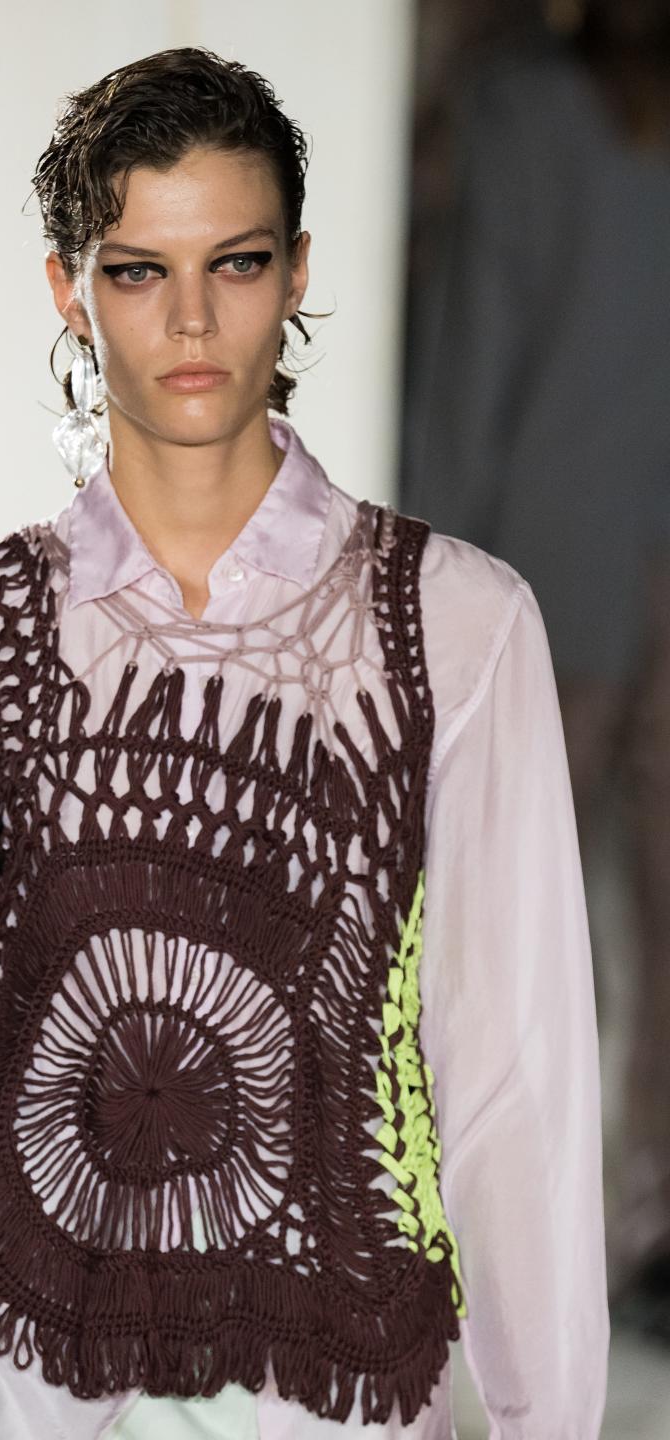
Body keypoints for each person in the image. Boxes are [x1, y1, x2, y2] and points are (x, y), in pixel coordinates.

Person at [0, 46, 609, 1440]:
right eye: (135, 270)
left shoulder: (463, 628)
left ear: (297, 273)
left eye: (232, 264)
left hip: (324, 1395)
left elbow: (511, 1083)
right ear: (69, 288)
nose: (188, 320)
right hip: (2, 1391)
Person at [400, 0, 670, 1336]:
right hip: (562, 579)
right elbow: (474, 366)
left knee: (507, 916)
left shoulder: (521, 112)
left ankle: (503, 1227)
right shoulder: (525, 115)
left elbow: (469, 372)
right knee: (516, 919)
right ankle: (569, 1227)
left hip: (558, 568)